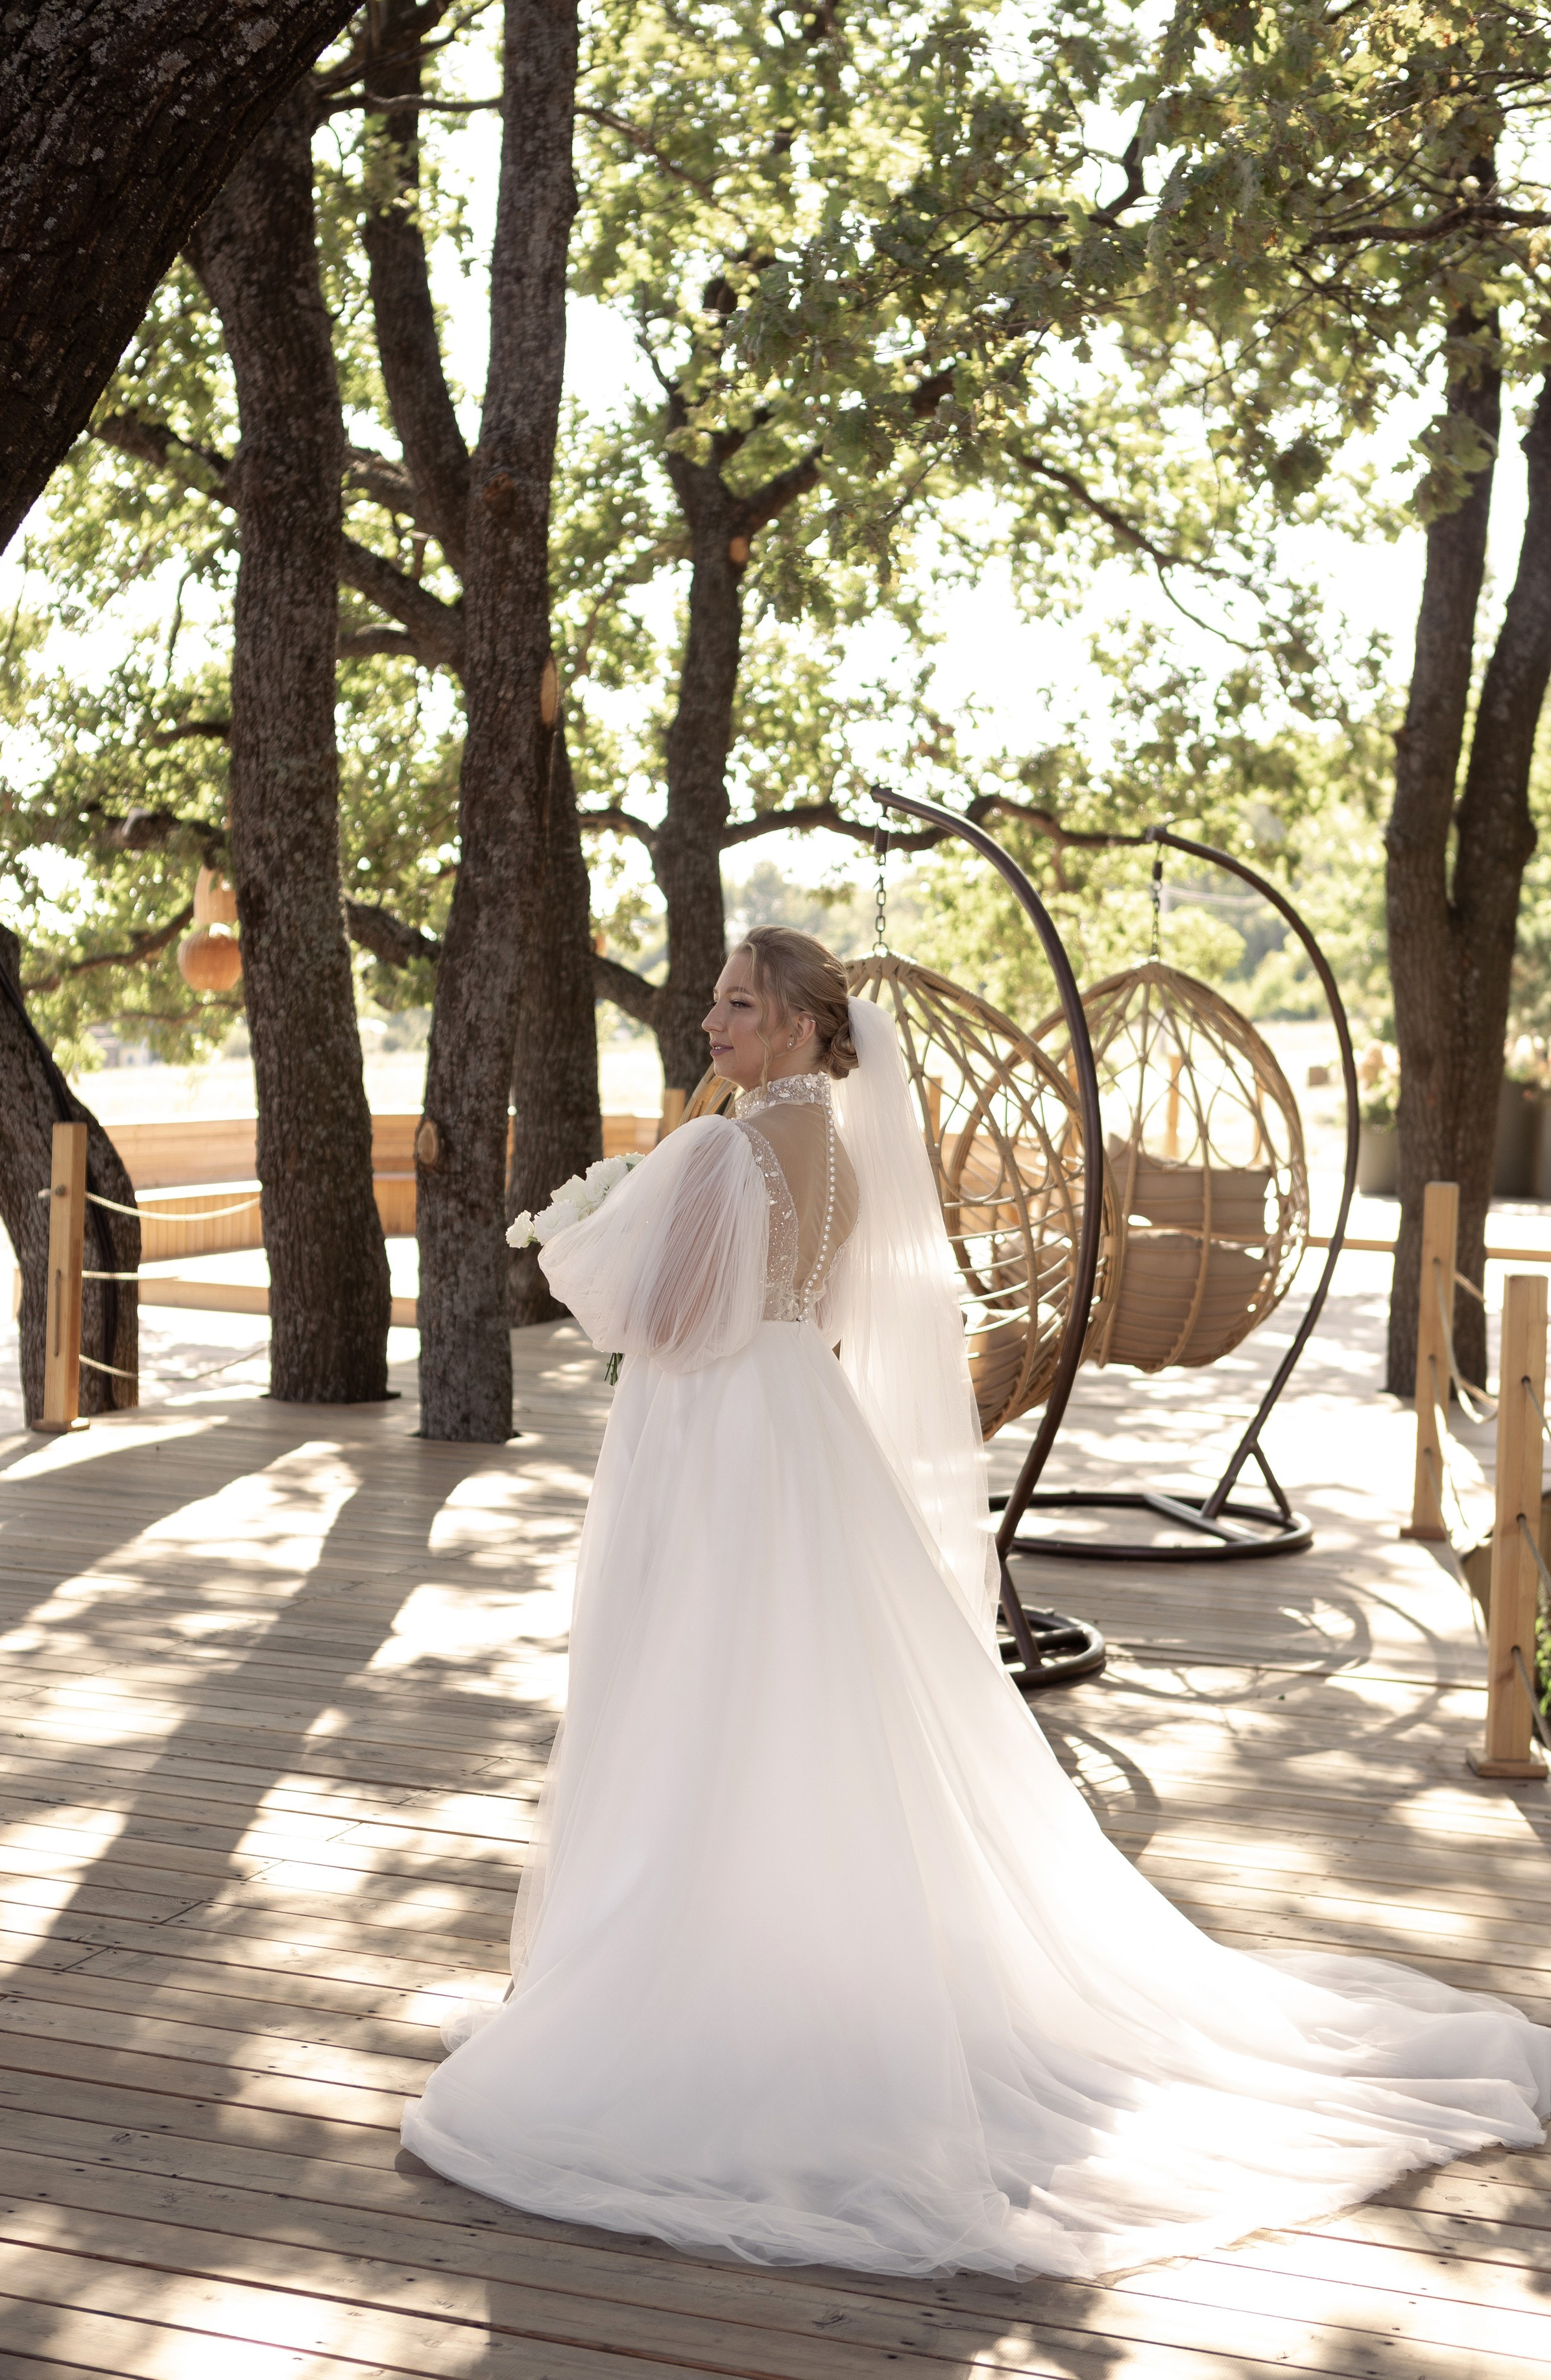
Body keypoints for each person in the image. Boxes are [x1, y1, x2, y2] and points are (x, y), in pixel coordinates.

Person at [402, 927, 1551, 2279]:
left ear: (793, 1025)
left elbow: (670, 1320)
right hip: (797, 1427)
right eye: (715, 1002)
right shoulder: (838, 1154)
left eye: (737, 1004)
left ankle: (688, 1963)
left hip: (716, 1439)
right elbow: (814, 1311)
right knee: (794, 1697)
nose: (711, 1022)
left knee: (699, 1690)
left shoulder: (720, 1148)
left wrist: (586, 1248)